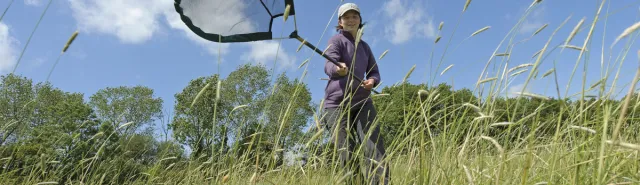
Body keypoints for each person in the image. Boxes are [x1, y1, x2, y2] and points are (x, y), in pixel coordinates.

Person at [321, 3, 389, 185]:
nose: (351, 20)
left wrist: (372, 81)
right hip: (336, 105)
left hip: (362, 102)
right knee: (346, 152)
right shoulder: (335, 41)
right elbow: (328, 64)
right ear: (340, 22)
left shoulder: (365, 47)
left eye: (354, 17)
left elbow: (374, 72)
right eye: (346, 17)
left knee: (374, 147)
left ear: (360, 21)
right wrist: (338, 69)